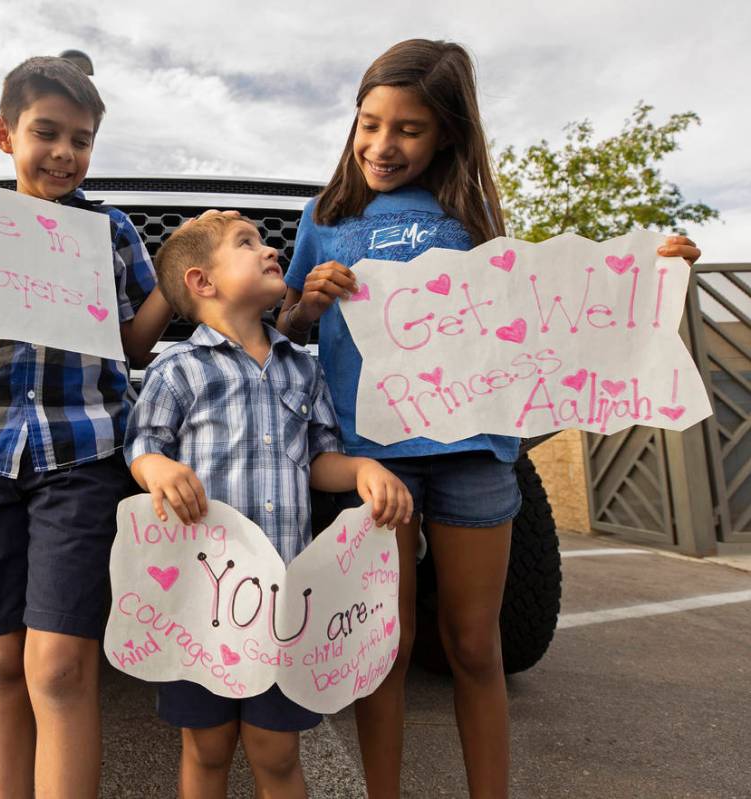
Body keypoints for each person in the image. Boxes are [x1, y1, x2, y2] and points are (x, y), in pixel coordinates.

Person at [274, 39, 703, 798]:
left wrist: (650, 269)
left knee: (475, 644)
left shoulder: (471, 217)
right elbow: (292, 329)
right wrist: (307, 300)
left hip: (474, 451)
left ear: (446, 132)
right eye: (368, 123)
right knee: (386, 643)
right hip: (376, 455)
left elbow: (550, 304)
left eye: (406, 129)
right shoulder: (326, 214)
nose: (380, 144)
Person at [0, 56, 172, 797]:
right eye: (46, 132)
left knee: (59, 662)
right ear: (4, 133)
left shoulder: (110, 231)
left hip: (83, 450)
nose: (63, 152)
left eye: (81, 139)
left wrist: (176, 281)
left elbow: (134, 345)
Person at [124, 212, 413, 798]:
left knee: (276, 752)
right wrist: (157, 468)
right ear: (203, 283)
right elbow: (143, 444)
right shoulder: (177, 368)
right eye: (247, 243)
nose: (270, 248)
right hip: (199, 603)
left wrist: (362, 469)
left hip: (281, 603)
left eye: (265, 239)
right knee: (205, 749)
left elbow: (320, 460)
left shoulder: (301, 370)